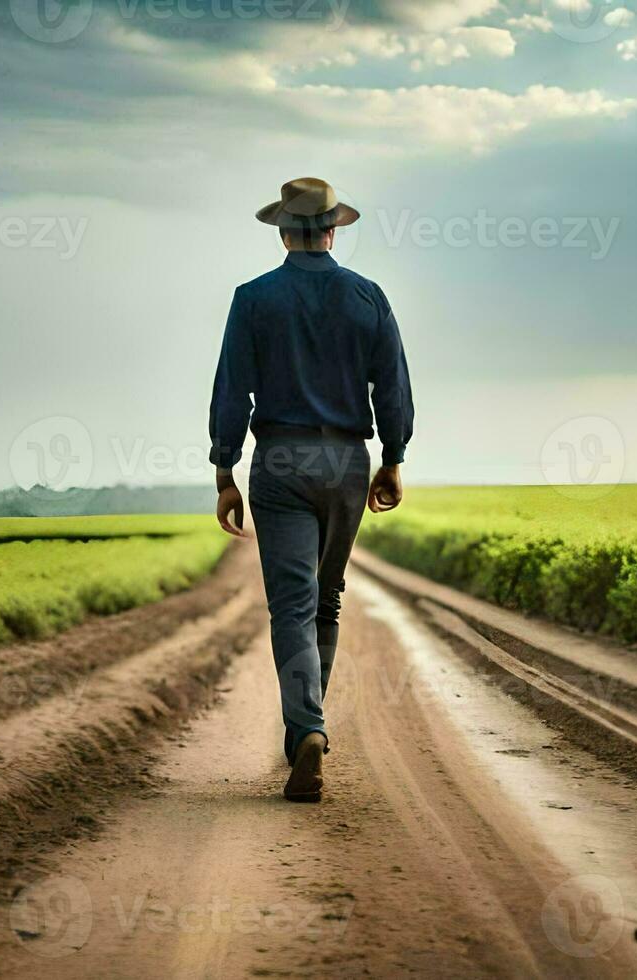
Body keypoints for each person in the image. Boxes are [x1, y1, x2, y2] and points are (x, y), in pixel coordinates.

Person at [208, 177, 414, 803]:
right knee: (327, 599)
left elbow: (231, 391)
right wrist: (393, 458)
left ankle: (306, 730)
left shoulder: (252, 299)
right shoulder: (368, 296)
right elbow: (393, 387)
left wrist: (224, 469)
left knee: (292, 606)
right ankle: (309, 725)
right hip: (347, 461)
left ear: (282, 232)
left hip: (281, 458)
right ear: (332, 231)